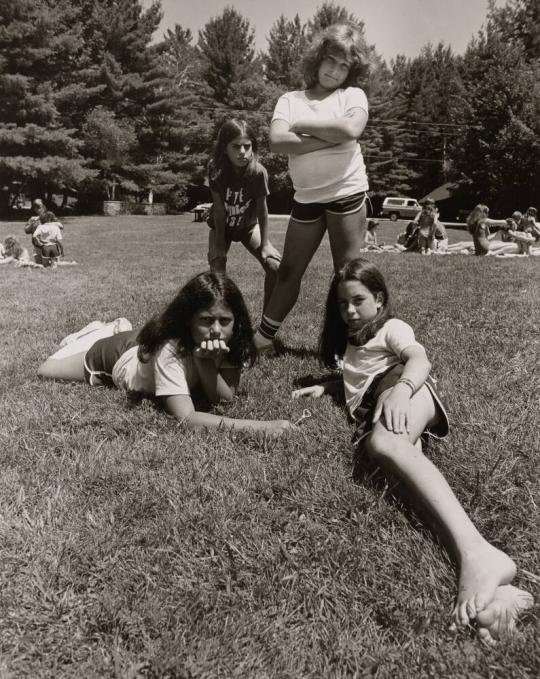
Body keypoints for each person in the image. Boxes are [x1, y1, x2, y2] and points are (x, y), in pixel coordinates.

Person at [292, 258, 533, 642]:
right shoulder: (354, 344)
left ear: (380, 299)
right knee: (404, 484)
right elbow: (358, 379)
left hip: (404, 390)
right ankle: (500, 596)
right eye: (342, 304)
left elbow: (418, 358)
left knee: (383, 443)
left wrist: (403, 389)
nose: (350, 311)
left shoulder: (392, 327)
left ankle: (480, 555)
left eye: (359, 300)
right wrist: (328, 386)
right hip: (380, 400)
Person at [38, 272, 293, 435]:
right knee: (46, 370)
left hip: (142, 347)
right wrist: (263, 428)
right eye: (206, 320)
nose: (216, 330)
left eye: (224, 321)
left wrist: (205, 363)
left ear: (235, 322)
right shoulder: (170, 351)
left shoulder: (230, 341)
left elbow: (225, 400)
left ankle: (119, 328)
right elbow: (187, 418)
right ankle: (96, 332)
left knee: (141, 337)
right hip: (117, 357)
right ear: (188, 320)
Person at [253, 22, 370, 353]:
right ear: (317, 59)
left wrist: (302, 127)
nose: (334, 70)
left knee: (346, 275)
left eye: (344, 65)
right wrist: (330, 135)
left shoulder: (353, 95)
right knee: (289, 271)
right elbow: (277, 141)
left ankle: (346, 348)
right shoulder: (290, 99)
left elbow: (351, 130)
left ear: (352, 70)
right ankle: (261, 340)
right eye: (330, 60)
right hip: (306, 197)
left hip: (347, 192)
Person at [206, 118, 281, 310]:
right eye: (236, 146)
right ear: (224, 148)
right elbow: (219, 209)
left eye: (247, 146)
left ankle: (265, 326)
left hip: (248, 227)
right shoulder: (216, 169)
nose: (242, 152)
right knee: (217, 271)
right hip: (221, 226)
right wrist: (220, 244)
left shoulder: (258, 172)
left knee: (274, 266)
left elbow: (263, 211)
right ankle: (221, 319)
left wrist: (265, 244)